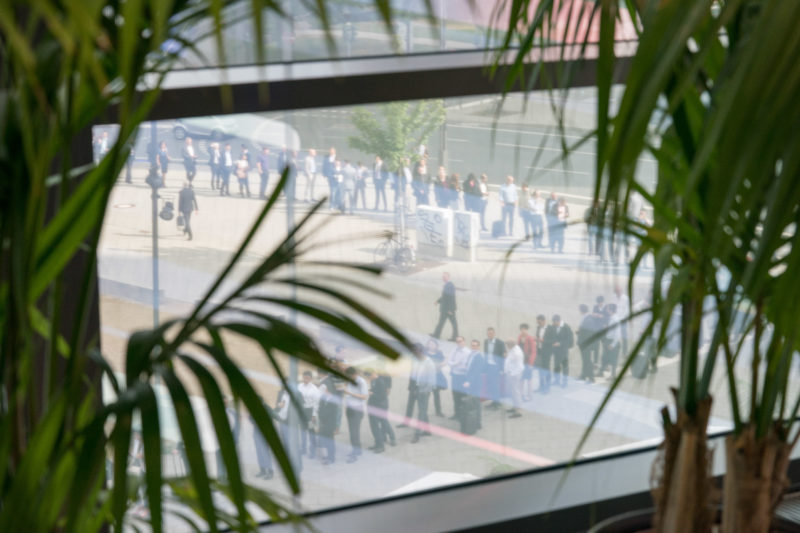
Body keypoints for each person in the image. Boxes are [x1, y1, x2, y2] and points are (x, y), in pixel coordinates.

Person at [408, 343, 436, 443]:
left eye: (416, 352)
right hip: (416, 388)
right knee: (422, 410)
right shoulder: (415, 360)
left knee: (421, 412)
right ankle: (427, 430)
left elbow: (431, 381)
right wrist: (413, 387)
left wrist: (423, 392)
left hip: (424, 391)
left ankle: (417, 434)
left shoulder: (429, 363)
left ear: (421, 351)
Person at [317, 364, 344, 465]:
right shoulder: (324, 397)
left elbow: (333, 412)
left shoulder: (325, 386)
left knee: (328, 439)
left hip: (329, 421)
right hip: (327, 420)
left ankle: (330, 457)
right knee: (327, 439)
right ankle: (329, 456)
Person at [459, 340, 485, 434]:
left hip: (475, 383)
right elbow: (469, 367)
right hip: (470, 382)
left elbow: (476, 372)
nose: (473, 347)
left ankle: (478, 423)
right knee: (472, 402)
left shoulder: (479, 357)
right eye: (472, 345)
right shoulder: (471, 355)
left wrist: (469, 382)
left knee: (476, 403)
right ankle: (474, 421)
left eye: (475, 346)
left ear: (478, 347)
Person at [343, 366, 368, 463]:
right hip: (349, 408)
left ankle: (355, 452)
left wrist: (350, 393)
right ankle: (357, 450)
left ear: (354, 374)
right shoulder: (349, 380)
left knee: (354, 432)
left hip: (357, 408)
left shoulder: (361, 382)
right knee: (351, 430)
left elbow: (364, 396)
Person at [544, 314, 574, 388]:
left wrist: (560, 343)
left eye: (554, 322)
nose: (553, 324)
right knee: (556, 365)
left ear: (558, 321)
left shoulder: (566, 327)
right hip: (556, 350)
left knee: (565, 366)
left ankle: (564, 382)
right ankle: (557, 380)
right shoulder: (553, 326)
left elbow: (569, 340)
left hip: (563, 350)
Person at [447, 336, 471, 422]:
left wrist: (455, 364)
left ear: (464, 341)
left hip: (462, 376)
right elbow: (449, 361)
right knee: (455, 395)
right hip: (455, 376)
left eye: (460, 341)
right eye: (457, 342)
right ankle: (456, 413)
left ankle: (463, 414)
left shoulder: (467, 352)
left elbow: (466, 366)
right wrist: (456, 363)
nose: (459, 343)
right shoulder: (454, 350)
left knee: (462, 396)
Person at [298, 371, 320, 458]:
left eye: (307, 378)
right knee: (303, 431)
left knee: (311, 432)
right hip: (302, 410)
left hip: (310, 411)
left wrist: (314, 415)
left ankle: (312, 451)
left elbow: (316, 403)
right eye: (304, 378)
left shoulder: (314, 389)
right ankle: (303, 449)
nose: (305, 380)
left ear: (311, 379)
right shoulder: (299, 386)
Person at [483, 327, 506, 409]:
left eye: (491, 333)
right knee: (491, 385)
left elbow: (503, 357)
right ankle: (494, 401)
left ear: (494, 333)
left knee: (495, 385)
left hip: (496, 367)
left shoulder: (500, 343)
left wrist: (502, 369)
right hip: (489, 366)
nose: (489, 335)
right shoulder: (486, 342)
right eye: (488, 333)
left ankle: (497, 404)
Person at [252, 396, 274, 479]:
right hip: (256, 433)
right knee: (259, 453)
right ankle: (262, 470)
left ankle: (270, 472)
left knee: (265, 453)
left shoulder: (268, 409)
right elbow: (250, 418)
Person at [431, 272, 458, 340]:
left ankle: (455, 337)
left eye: (445, 277)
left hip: (448, 310)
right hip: (445, 309)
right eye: (443, 277)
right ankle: (436, 335)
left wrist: (451, 310)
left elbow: (451, 298)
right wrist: (438, 301)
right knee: (441, 322)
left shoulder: (450, 285)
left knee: (453, 324)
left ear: (449, 277)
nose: (443, 278)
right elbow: (444, 297)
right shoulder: (447, 285)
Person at [577, 304, 600, 382]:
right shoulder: (587, 318)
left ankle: (591, 377)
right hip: (584, 343)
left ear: (581, 310)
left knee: (587, 360)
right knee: (585, 360)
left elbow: (587, 333)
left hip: (586, 344)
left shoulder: (588, 320)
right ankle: (583, 375)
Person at [426, 338, 447, 417]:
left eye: (433, 344)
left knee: (436, 394)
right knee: (426, 394)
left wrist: (441, 364)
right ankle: (423, 410)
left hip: (437, 376)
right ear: (427, 345)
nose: (431, 345)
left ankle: (438, 411)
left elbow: (444, 360)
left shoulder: (439, 353)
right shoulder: (425, 353)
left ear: (436, 345)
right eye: (429, 343)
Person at [504, 340, 524, 418]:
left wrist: (511, 373)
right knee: (513, 391)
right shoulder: (513, 349)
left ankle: (518, 411)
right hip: (512, 373)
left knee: (515, 392)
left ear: (510, 345)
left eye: (507, 345)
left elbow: (515, 365)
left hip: (514, 374)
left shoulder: (516, 352)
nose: (507, 347)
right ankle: (514, 407)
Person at [601, 303, 622, 379]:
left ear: (611, 310)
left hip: (612, 342)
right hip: (608, 340)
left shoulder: (615, 319)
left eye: (608, 309)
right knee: (604, 357)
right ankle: (601, 372)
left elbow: (617, 334)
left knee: (613, 360)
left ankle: (613, 375)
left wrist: (613, 344)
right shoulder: (611, 318)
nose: (607, 310)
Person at [518, 323, 537, 400]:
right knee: (521, 379)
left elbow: (533, 352)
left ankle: (530, 396)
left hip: (528, 361)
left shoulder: (530, 338)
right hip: (521, 361)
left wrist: (531, 363)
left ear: (527, 330)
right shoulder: (519, 337)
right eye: (522, 329)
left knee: (529, 379)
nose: (523, 331)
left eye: (524, 329)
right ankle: (521, 394)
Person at [534, 314, 551, 393]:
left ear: (544, 321)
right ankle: (541, 386)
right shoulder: (538, 328)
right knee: (540, 369)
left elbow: (552, 340)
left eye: (540, 322)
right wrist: (536, 340)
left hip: (547, 352)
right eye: (538, 323)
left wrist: (543, 341)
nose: (539, 324)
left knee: (546, 370)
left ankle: (547, 388)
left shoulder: (550, 329)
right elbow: (538, 338)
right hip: (539, 351)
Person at [614, 284, 631, 355]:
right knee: (615, 335)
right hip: (615, 319)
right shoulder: (614, 297)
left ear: (621, 291)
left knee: (624, 336)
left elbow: (627, 310)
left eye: (618, 291)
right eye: (616, 291)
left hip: (622, 320)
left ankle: (624, 351)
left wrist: (623, 319)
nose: (617, 292)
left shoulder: (625, 298)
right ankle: (615, 349)